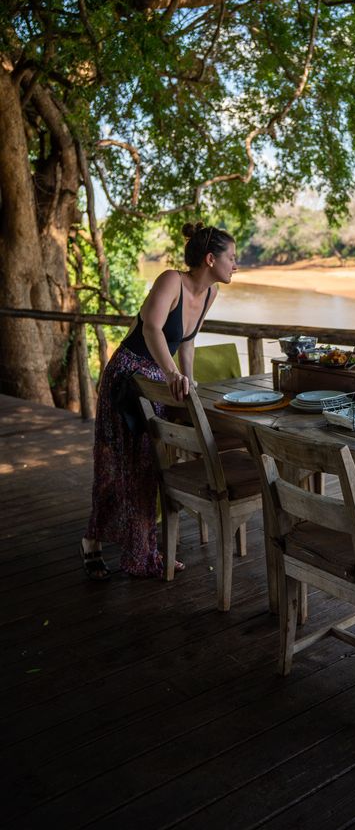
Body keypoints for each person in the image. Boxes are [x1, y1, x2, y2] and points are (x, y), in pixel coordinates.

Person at [80, 223, 237, 580]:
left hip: (159, 384)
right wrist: (171, 374)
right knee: (114, 464)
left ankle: (142, 553)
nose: (236, 265)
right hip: (128, 378)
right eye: (232, 257)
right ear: (210, 259)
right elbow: (152, 328)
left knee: (148, 466)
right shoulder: (171, 280)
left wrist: (188, 381)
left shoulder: (210, 294)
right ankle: (92, 540)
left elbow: (188, 341)